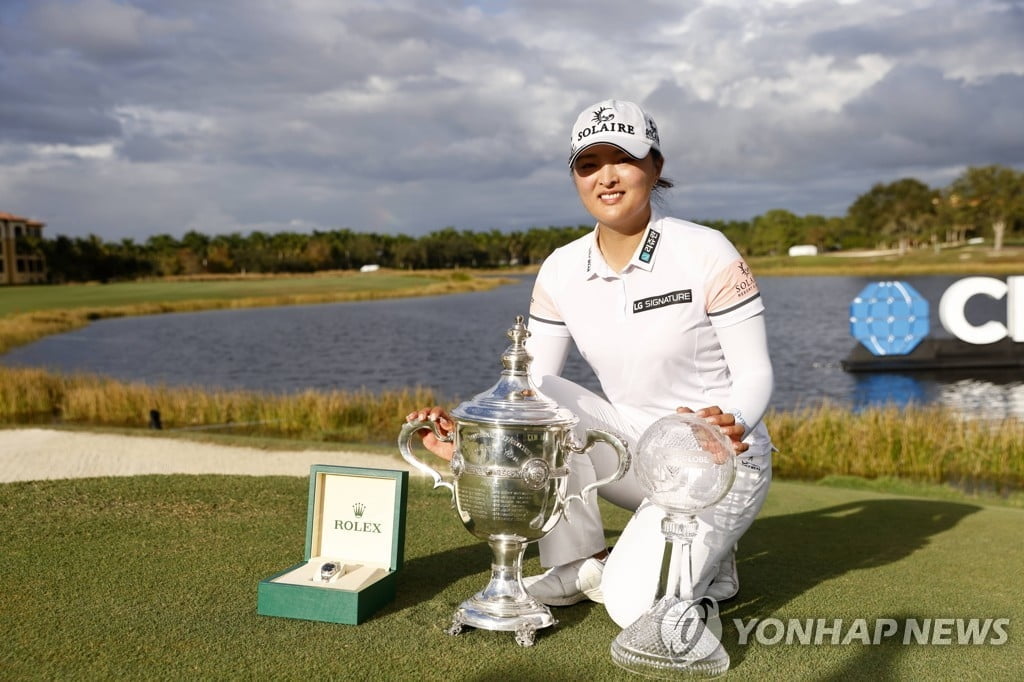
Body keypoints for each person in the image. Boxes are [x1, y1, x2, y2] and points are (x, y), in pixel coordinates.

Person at [406, 99, 774, 629]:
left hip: (716, 460)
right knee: (543, 397)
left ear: (655, 166)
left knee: (632, 609)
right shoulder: (560, 268)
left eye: (622, 158)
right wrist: (474, 442)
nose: (606, 177)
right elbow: (530, 390)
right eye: (589, 164)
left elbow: (757, 372)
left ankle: (696, 566)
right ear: (576, 176)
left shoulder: (705, 250)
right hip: (633, 454)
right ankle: (576, 562)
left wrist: (729, 425)